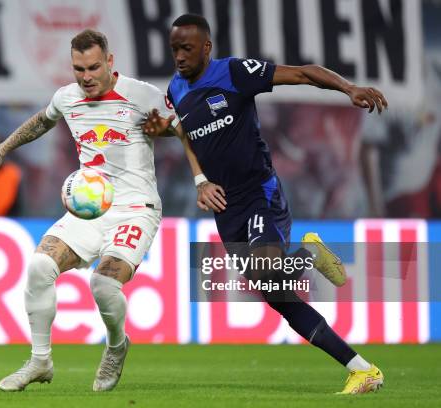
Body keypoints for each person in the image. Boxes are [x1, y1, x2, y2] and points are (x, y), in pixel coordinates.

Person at [142, 14, 388, 394]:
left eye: (186, 48)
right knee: (278, 296)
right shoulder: (176, 90)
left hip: (259, 194)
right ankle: (362, 369)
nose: (178, 56)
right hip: (226, 209)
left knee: (268, 271)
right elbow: (186, 134)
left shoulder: (236, 72)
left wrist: (347, 88)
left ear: (206, 47)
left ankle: (307, 255)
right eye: (174, 48)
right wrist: (200, 180)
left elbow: (303, 74)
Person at [0, 29, 184, 392]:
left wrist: (193, 167)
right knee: (40, 266)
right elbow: (42, 120)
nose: (86, 77)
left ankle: (117, 346)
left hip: (136, 208)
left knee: (103, 285)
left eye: (93, 67)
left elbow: (183, 130)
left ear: (109, 61)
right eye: (78, 69)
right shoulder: (68, 98)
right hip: (90, 208)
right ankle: (40, 361)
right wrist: (1, 150)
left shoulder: (142, 95)